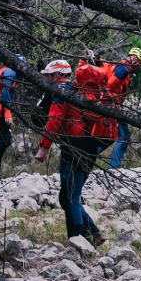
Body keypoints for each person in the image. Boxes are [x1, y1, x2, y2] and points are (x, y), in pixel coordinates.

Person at [34, 59, 107, 245]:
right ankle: (94, 234)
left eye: (49, 76)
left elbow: (54, 119)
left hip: (73, 146)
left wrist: (44, 147)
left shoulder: (63, 92)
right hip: (91, 147)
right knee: (67, 196)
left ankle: (77, 239)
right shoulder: (81, 90)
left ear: (57, 75)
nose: (48, 80)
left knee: (70, 197)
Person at [103, 46, 141, 168]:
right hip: (113, 105)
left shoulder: (123, 67)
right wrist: (115, 103)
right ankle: (114, 167)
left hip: (113, 104)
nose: (139, 67)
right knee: (123, 136)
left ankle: (110, 164)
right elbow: (110, 86)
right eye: (139, 63)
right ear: (134, 58)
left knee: (111, 136)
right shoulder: (124, 69)